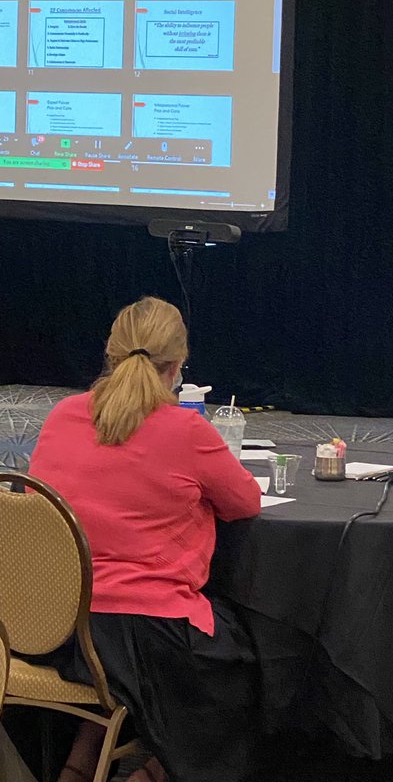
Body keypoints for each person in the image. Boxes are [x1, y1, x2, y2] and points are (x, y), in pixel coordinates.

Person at [28, 296, 262, 782]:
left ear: (110, 355)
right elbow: (245, 503)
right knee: (247, 660)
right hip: (149, 636)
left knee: (118, 667)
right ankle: (151, 774)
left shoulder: (63, 415)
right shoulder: (186, 430)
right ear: (177, 367)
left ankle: (79, 765)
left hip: (54, 628)